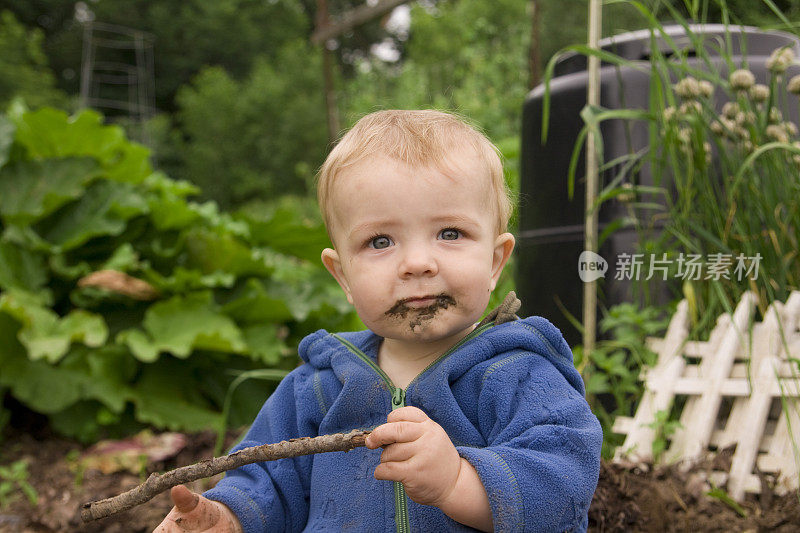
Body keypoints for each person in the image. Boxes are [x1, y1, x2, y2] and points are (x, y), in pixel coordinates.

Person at [154, 109, 602, 533]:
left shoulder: (519, 373)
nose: (418, 263)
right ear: (342, 275)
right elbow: (266, 479)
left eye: (450, 233)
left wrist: (457, 481)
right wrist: (229, 516)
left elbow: (564, 482)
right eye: (380, 241)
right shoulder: (317, 386)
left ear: (495, 260)